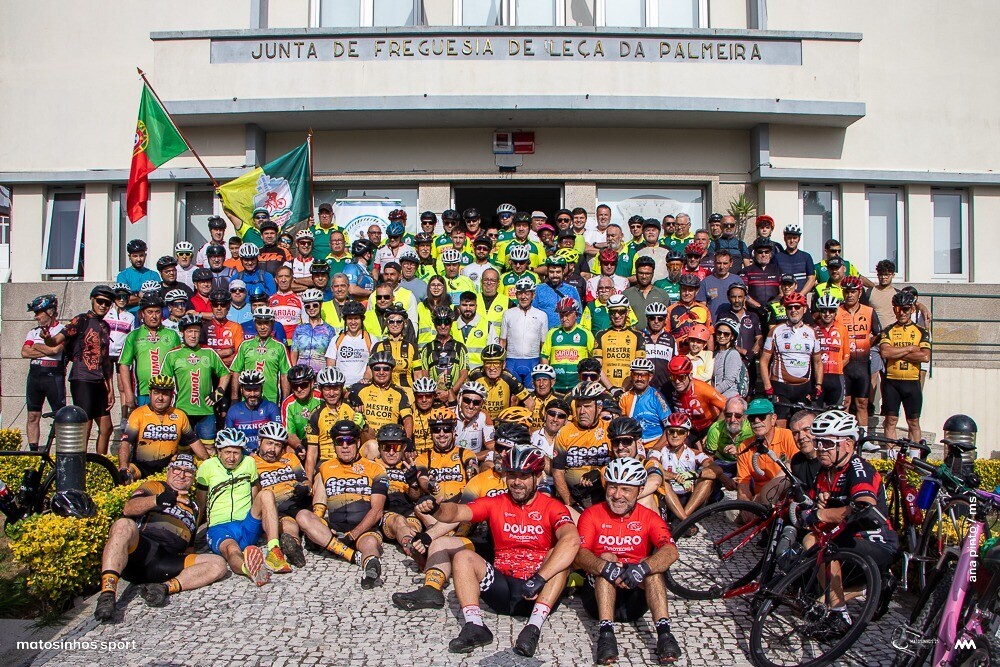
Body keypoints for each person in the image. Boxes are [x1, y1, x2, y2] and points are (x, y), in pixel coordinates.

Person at [413, 445, 579, 657]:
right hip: (502, 586)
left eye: (524, 475)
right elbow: (457, 512)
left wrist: (540, 578)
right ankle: (475, 625)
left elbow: (572, 540)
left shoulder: (552, 506)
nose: (517, 482)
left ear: (538, 477)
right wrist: (437, 509)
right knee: (464, 556)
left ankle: (533, 627)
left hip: (538, 589)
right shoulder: (496, 502)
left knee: (559, 556)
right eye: (511, 475)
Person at [799, 410, 898, 637]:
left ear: (848, 444)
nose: (819, 448)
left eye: (826, 442)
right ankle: (871, 587)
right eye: (817, 441)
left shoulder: (858, 468)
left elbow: (864, 504)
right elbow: (811, 504)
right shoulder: (826, 470)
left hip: (877, 543)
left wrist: (823, 514)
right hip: (848, 539)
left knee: (817, 542)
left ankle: (840, 616)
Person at [94, 453, 227, 622]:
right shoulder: (156, 487)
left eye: (188, 471)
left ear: (193, 477)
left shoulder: (194, 507)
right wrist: (157, 500)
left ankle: (162, 589)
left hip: (166, 562)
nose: (181, 474)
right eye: (177, 469)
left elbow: (190, 547)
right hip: (143, 551)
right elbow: (129, 508)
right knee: (123, 525)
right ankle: (107, 594)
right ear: (169, 471)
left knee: (218, 564)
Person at [575, 455, 681, 664]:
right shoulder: (591, 514)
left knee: (654, 570)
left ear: (640, 491)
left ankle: (665, 634)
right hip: (597, 597)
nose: (617, 495)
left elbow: (670, 550)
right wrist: (604, 566)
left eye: (626, 489)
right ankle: (606, 636)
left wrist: (642, 568)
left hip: (635, 595)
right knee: (605, 561)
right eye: (612, 487)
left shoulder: (649, 516)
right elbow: (580, 553)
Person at [297, 419, 388, 589]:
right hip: (334, 529)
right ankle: (353, 557)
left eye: (350, 441)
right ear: (334, 445)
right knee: (302, 515)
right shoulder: (325, 467)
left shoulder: (375, 469)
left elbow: (377, 511)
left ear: (358, 442)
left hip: (363, 529)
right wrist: (318, 523)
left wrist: (353, 535)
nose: (345, 446)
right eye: (340, 441)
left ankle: (371, 566)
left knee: (369, 544)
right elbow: (319, 499)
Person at [195, 428, 291, 587]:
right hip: (220, 526)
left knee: (266, 494)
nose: (232, 458)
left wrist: (262, 520)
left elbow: (256, 496)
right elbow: (200, 503)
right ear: (219, 451)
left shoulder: (249, 463)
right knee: (232, 550)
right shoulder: (207, 467)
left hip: (246, 523)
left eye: (236, 453)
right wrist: (192, 541)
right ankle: (248, 568)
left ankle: (274, 550)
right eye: (227, 452)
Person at [40, 285, 116, 450]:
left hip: (99, 380)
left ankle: (99, 467)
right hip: (82, 378)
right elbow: (55, 341)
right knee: (85, 426)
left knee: (107, 427)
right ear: (92, 300)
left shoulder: (106, 327)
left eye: (107, 303)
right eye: (100, 301)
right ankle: (80, 466)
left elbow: (106, 361)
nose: (103, 305)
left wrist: (111, 389)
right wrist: (46, 338)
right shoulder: (80, 320)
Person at [161, 314, 231, 451]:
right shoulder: (172, 355)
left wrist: (219, 392)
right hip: (181, 411)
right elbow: (164, 382)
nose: (193, 335)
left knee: (209, 448)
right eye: (189, 331)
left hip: (206, 411)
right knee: (183, 449)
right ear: (182, 333)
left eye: (196, 331)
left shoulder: (209, 352)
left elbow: (225, 373)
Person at [117, 374, 207, 482]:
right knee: (125, 476)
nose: (160, 398)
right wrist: (123, 467)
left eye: (165, 394)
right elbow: (126, 443)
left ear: (171, 396)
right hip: (140, 467)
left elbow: (194, 441)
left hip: (169, 469)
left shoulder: (179, 415)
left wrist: (208, 461)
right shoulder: (138, 414)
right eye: (156, 393)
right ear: (150, 394)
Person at [759, 292, 823, 426]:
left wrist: (818, 385)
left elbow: (817, 362)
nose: (793, 310)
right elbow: (764, 361)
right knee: (780, 427)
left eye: (797, 307)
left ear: (804, 309)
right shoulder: (776, 331)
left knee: (802, 427)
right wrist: (768, 387)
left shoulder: (812, 332)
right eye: (790, 307)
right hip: (780, 387)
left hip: (803, 388)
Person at [552, 381, 612, 517]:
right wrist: (569, 500)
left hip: (604, 494)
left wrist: (600, 471)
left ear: (599, 407)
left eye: (587, 406)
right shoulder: (565, 432)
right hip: (574, 497)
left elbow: (621, 462)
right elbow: (558, 472)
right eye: (578, 406)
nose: (582, 411)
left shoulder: (610, 430)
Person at [877, 291, 931, 441]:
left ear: (912, 309)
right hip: (891, 382)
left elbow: (925, 356)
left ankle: (914, 458)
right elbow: (885, 353)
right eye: (897, 308)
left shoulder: (922, 332)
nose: (901, 312)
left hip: (912, 382)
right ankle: (891, 458)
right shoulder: (888, 330)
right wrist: (909, 349)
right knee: (890, 421)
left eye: (905, 309)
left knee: (913, 422)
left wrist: (897, 352)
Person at [656, 413, 728, 522]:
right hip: (668, 500)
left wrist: (694, 474)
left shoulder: (694, 453)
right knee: (662, 482)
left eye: (680, 432)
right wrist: (675, 476)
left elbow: (717, 469)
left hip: (688, 499)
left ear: (687, 434)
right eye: (671, 431)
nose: (675, 435)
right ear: (666, 433)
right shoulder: (658, 452)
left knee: (708, 480)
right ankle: (685, 521)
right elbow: (652, 469)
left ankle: (681, 519)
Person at [117, 294, 181, 414]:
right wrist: (128, 394)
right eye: (150, 312)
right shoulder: (133, 335)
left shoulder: (172, 335)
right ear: (142, 314)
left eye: (157, 312)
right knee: (144, 430)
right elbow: (124, 365)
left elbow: (179, 365)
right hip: (143, 393)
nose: (154, 316)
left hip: (167, 392)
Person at [735, 398, 799, 511]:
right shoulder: (744, 446)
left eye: (761, 416)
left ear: (773, 419)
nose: (757, 421)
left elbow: (798, 470)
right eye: (751, 418)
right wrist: (748, 507)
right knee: (733, 512)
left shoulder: (788, 436)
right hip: (760, 503)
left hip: (787, 497)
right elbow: (743, 485)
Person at [22, 294, 66, 450]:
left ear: (50, 312)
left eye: (38, 313)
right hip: (35, 376)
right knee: (33, 415)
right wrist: (47, 350)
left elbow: (56, 349)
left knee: (60, 417)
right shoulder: (33, 332)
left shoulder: (62, 330)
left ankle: (62, 452)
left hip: (53, 376)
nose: (36, 317)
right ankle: (34, 451)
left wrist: (37, 347)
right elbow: (25, 353)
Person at [837, 276, 881, 430]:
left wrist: (868, 343)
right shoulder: (837, 311)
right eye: (847, 292)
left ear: (859, 292)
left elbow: (878, 333)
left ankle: (863, 437)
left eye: (853, 292)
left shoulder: (869, 311)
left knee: (862, 403)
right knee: (846, 402)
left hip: (862, 364)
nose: (850, 295)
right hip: (844, 364)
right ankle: (845, 433)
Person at [304, 367, 364, 479]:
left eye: (335, 388)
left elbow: (368, 440)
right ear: (321, 389)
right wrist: (309, 482)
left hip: (352, 458)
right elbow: (312, 453)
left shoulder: (352, 407)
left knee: (373, 446)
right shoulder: (316, 414)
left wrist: (362, 426)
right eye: (327, 389)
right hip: (326, 461)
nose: (331, 393)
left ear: (342, 388)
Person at [230, 306, 292, 405]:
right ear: (255, 324)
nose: (262, 327)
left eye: (266, 323)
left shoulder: (279, 347)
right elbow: (236, 372)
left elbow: (285, 375)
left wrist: (285, 400)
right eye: (259, 323)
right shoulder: (245, 345)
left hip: (271, 400)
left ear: (272, 323)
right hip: (247, 400)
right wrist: (234, 398)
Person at [348, 351, 414, 440]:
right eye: (377, 369)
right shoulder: (360, 387)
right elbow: (340, 392)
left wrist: (408, 441)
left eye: (386, 369)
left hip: (389, 440)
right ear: (371, 370)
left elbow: (407, 419)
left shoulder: (399, 392)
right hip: (366, 439)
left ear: (391, 370)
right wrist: (352, 395)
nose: (381, 372)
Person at [664, 356, 726, 445]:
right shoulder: (667, 388)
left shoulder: (703, 389)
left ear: (690, 375)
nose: (677, 382)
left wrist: (714, 431)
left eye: (681, 377)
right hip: (689, 428)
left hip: (709, 426)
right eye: (673, 377)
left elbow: (726, 406)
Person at [499, 277, 548, 389]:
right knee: (511, 396)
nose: (523, 297)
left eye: (527, 293)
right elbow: (502, 341)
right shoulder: (508, 314)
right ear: (516, 295)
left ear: (533, 295)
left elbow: (543, 344)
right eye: (520, 293)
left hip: (533, 361)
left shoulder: (542, 315)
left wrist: (543, 365)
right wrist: (502, 362)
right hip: (512, 361)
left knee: (531, 396)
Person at [540, 297, 595, 395]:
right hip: (556, 387)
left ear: (576, 313)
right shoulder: (552, 332)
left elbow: (594, 359)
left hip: (578, 386)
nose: (564, 318)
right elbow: (544, 357)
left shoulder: (586, 333)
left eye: (567, 314)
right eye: (561, 315)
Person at [619, 358, 672, 451]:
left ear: (650, 377)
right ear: (631, 376)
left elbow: (669, 427)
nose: (639, 379)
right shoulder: (624, 397)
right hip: (634, 445)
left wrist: (655, 449)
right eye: (636, 375)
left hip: (656, 444)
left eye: (643, 375)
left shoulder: (657, 397)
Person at [420, 307, 469, 406]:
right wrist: (436, 393)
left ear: (451, 324)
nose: (443, 326)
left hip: (456, 398)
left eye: (446, 322)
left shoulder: (460, 347)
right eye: (439, 322)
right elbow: (425, 374)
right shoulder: (427, 348)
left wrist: (449, 393)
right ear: (434, 324)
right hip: (435, 398)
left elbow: (464, 374)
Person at [593, 295, 645, 389]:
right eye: (613, 312)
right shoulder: (600, 335)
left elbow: (638, 367)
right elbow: (597, 366)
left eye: (621, 311)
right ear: (609, 313)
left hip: (630, 389)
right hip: (606, 389)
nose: (617, 315)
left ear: (627, 312)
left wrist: (623, 389)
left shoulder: (638, 336)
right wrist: (612, 389)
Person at [225, 370, 282, 454]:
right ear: (241, 390)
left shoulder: (271, 408)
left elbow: (277, 438)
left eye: (256, 389)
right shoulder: (233, 410)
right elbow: (228, 439)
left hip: (266, 455)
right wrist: (248, 454)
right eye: (248, 390)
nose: (252, 394)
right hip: (242, 456)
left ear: (262, 389)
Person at [325, 300, 377, 387]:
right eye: (349, 318)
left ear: (362, 319)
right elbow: (330, 366)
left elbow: (372, 365)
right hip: (340, 387)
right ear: (345, 320)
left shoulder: (371, 339)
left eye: (356, 318)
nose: (353, 322)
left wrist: (366, 379)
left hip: (362, 386)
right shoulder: (336, 339)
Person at [814, 294, 850, 407]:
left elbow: (846, 356)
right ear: (819, 312)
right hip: (818, 378)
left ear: (836, 312)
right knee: (814, 412)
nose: (827, 314)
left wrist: (837, 366)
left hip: (837, 377)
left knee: (836, 412)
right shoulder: (813, 329)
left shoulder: (842, 329)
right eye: (824, 311)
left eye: (831, 310)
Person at [703, 396, 752, 479]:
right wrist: (722, 478)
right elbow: (709, 459)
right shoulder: (715, 429)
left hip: (745, 463)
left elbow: (755, 458)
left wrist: (738, 453)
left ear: (745, 416)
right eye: (728, 415)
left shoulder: (751, 430)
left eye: (738, 416)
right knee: (707, 477)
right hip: (722, 463)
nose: (733, 419)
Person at [289, 289, 335, 373]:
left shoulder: (329, 330)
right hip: (301, 373)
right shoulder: (299, 329)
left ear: (321, 305)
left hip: (321, 373)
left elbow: (331, 355)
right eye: (307, 306)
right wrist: (294, 370)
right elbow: (294, 352)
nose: (311, 308)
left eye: (315, 305)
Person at [280, 365, 322, 456]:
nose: (299, 389)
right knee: (288, 449)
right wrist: (299, 446)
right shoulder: (288, 403)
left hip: (321, 441)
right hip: (301, 442)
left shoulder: (322, 398)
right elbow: (290, 434)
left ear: (312, 383)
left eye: (303, 385)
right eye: (295, 386)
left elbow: (338, 391)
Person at [665, 274, 711, 355]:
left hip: (699, 355)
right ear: (680, 289)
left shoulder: (704, 309)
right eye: (684, 290)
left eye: (690, 290)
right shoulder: (670, 309)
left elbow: (710, 334)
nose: (686, 293)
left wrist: (710, 355)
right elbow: (666, 334)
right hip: (678, 354)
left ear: (696, 291)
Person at [623, 255, 670, 331]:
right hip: (633, 338)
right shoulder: (626, 294)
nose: (644, 277)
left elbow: (667, 320)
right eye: (641, 273)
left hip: (655, 339)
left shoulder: (662, 294)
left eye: (648, 273)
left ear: (653, 273)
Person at [534, 257, 582, 329]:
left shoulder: (572, 290)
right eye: (551, 272)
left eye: (558, 272)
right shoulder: (538, 290)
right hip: (545, 334)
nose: (555, 275)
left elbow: (579, 314)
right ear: (547, 272)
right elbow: (533, 313)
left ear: (563, 272)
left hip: (566, 334)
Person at [696, 251, 744, 322]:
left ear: (731, 264)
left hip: (735, 324)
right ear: (714, 263)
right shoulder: (705, 282)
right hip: (714, 325)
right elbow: (702, 307)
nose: (722, 267)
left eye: (725, 263)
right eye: (719, 263)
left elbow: (744, 303)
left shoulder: (737, 280)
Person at [116, 239, 161, 313]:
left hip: (150, 316)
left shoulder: (154, 275)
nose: (139, 259)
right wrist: (147, 298)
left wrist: (135, 297)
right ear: (129, 257)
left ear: (145, 256)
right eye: (135, 256)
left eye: (141, 255)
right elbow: (124, 300)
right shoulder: (122, 275)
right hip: (129, 314)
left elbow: (158, 298)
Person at [450, 291, 492, 369]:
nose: (468, 308)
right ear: (459, 306)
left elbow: (493, 353)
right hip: (457, 373)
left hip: (479, 373)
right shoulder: (452, 326)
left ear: (476, 306)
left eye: (471, 305)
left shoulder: (487, 325)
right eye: (464, 305)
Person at [203, 290, 243, 368]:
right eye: (215, 305)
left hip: (229, 372)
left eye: (223, 305)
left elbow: (238, 356)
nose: (219, 308)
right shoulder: (204, 327)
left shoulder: (236, 327)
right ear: (211, 307)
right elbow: (202, 356)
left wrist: (214, 361)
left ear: (228, 307)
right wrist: (227, 352)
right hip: (209, 372)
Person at [711, 317, 749, 398]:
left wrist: (711, 393)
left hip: (729, 398)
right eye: (719, 332)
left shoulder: (733, 354)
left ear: (732, 336)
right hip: (717, 397)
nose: (721, 336)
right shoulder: (716, 353)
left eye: (726, 334)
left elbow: (729, 381)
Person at [774, 224, 816, 295]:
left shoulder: (806, 257)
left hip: (801, 300)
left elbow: (811, 279)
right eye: (789, 238)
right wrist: (782, 295)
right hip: (783, 300)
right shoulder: (777, 258)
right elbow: (775, 280)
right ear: (784, 239)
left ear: (799, 239)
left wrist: (801, 295)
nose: (792, 240)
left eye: (795, 238)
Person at [742, 237, 782, 311]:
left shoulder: (778, 270)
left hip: (774, 310)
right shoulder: (746, 271)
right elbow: (744, 294)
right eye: (760, 252)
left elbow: (782, 293)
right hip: (754, 312)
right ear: (755, 253)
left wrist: (770, 305)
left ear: (770, 254)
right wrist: (758, 306)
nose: (763, 255)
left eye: (767, 252)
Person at [787, 409, 822, 489]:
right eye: (796, 433)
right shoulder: (796, 461)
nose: (801, 437)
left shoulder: (829, 459)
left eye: (806, 429)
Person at [269, 267, 304, 341]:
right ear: (276, 279)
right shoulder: (269, 300)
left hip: (294, 343)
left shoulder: (300, 300)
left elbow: (305, 323)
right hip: (275, 342)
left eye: (287, 276)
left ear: (292, 279)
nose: (283, 280)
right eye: (280, 277)